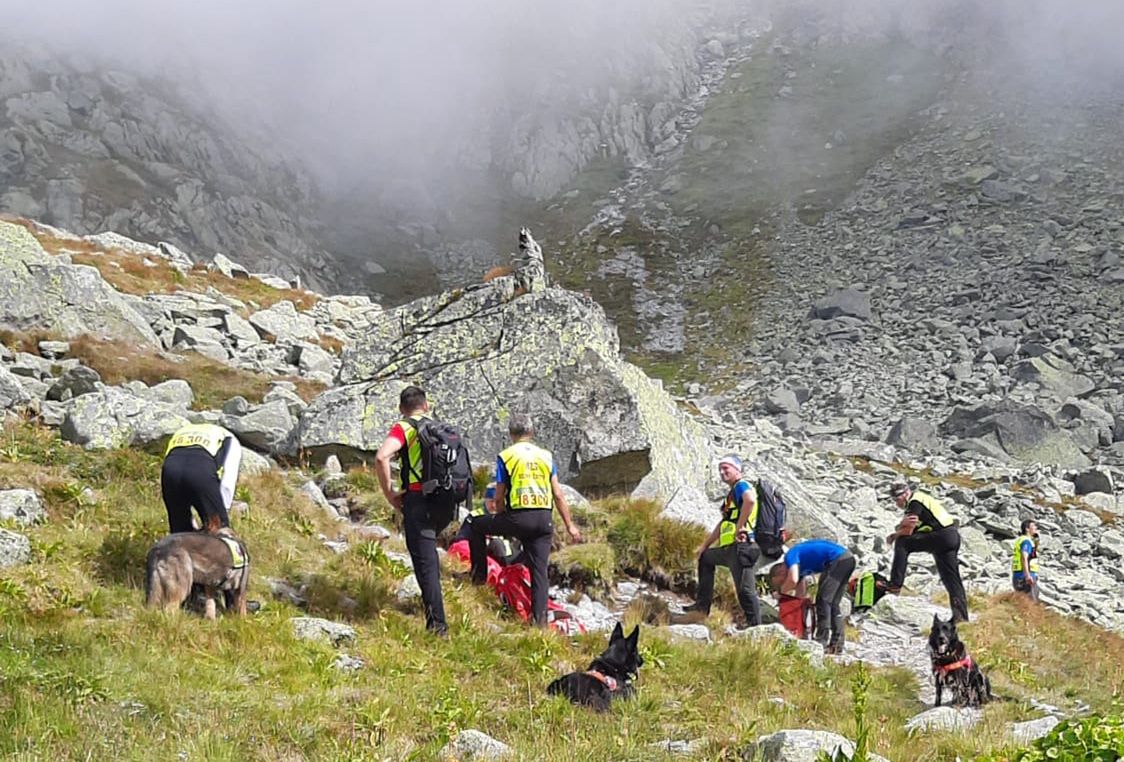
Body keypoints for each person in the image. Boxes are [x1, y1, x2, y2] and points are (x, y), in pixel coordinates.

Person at [467, 413, 581, 626]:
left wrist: (499, 515)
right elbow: (558, 494)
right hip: (543, 519)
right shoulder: (546, 456)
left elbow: (499, 494)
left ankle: (479, 578)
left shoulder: (507, 456)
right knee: (539, 570)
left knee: (476, 525)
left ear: (510, 434)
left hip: (517, 517)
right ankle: (539, 622)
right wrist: (570, 526)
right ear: (531, 432)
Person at [376, 385, 459, 637]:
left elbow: (382, 457)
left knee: (426, 564)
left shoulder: (405, 427)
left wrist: (390, 494)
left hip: (418, 499)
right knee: (430, 556)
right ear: (426, 405)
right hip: (446, 503)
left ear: (402, 409)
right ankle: (436, 618)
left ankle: (438, 627)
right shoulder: (440, 429)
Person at [684, 454, 761, 628]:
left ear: (737, 469)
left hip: (742, 546)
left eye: (726, 468)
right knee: (706, 558)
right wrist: (705, 545)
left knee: (745, 591)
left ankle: (756, 628)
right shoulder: (732, 493)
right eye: (720, 468)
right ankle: (702, 607)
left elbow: (750, 500)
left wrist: (740, 526)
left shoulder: (742, 485)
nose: (722, 472)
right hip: (729, 549)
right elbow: (725, 522)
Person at [885, 481, 969, 623]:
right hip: (950, 537)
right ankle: (960, 617)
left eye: (897, 499)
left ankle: (895, 584)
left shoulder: (915, 501)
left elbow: (909, 528)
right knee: (951, 580)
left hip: (941, 536)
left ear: (905, 494)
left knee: (902, 543)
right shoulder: (922, 499)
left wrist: (894, 535)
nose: (896, 503)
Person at [769, 539, 855, 654]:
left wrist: (781, 593)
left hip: (837, 559)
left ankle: (821, 641)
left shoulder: (790, 556)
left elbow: (793, 580)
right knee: (833, 604)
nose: (783, 583)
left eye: (780, 582)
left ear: (780, 572)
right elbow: (800, 594)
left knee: (823, 600)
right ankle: (836, 645)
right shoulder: (801, 569)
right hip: (847, 559)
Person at [161, 423, 242, 534]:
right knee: (219, 532)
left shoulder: (182, 431)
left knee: (180, 533)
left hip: (170, 471)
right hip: (200, 470)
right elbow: (227, 482)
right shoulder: (230, 439)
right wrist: (222, 512)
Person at [455, 481, 521, 566]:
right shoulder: (475, 516)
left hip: (508, 556)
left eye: (497, 502)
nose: (493, 505)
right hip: (484, 556)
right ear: (485, 500)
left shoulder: (508, 517)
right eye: (491, 501)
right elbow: (462, 539)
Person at [1012, 519, 1040, 601]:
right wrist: (1027, 575)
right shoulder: (1026, 541)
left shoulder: (1020, 540)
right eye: (1033, 526)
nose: (1036, 528)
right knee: (1030, 601)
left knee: (1020, 601)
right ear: (1027, 529)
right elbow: (1024, 557)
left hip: (1018, 573)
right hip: (1025, 575)